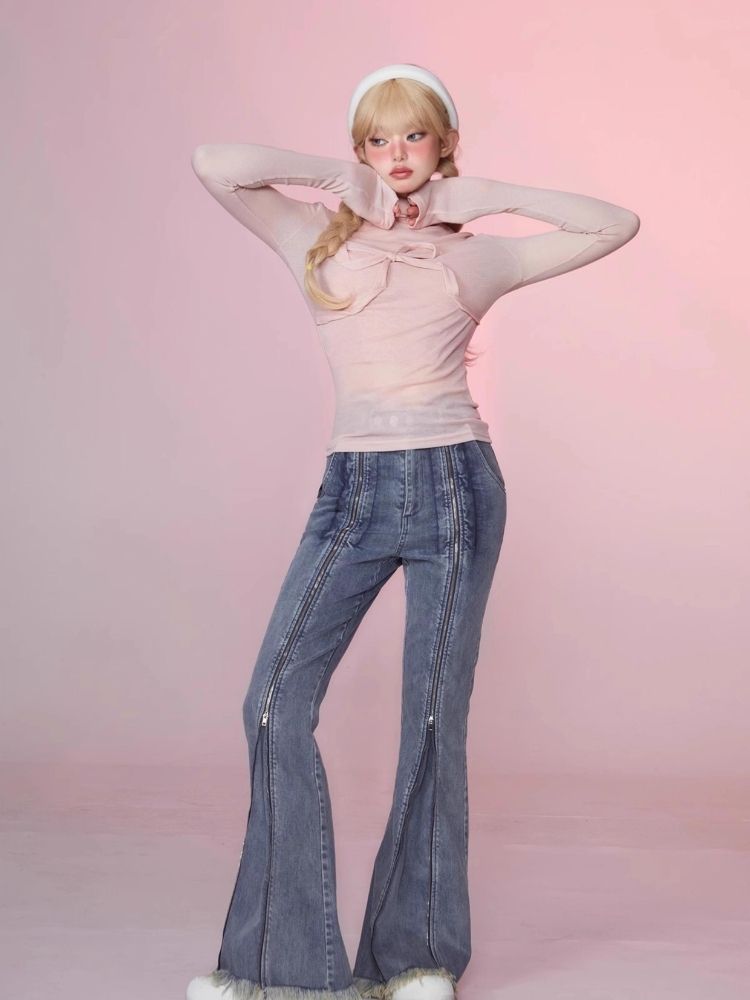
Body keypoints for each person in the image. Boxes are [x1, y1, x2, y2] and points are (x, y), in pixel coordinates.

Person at [186, 63, 640, 1000]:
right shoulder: (309, 234)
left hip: (455, 486)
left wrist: (484, 196)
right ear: (360, 149)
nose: (396, 154)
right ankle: (280, 967)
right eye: (377, 139)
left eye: (414, 135)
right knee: (272, 702)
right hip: (351, 490)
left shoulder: (480, 258)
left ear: (444, 144)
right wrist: (339, 180)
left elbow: (614, 223)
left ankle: (417, 957)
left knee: (432, 713)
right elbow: (214, 162)